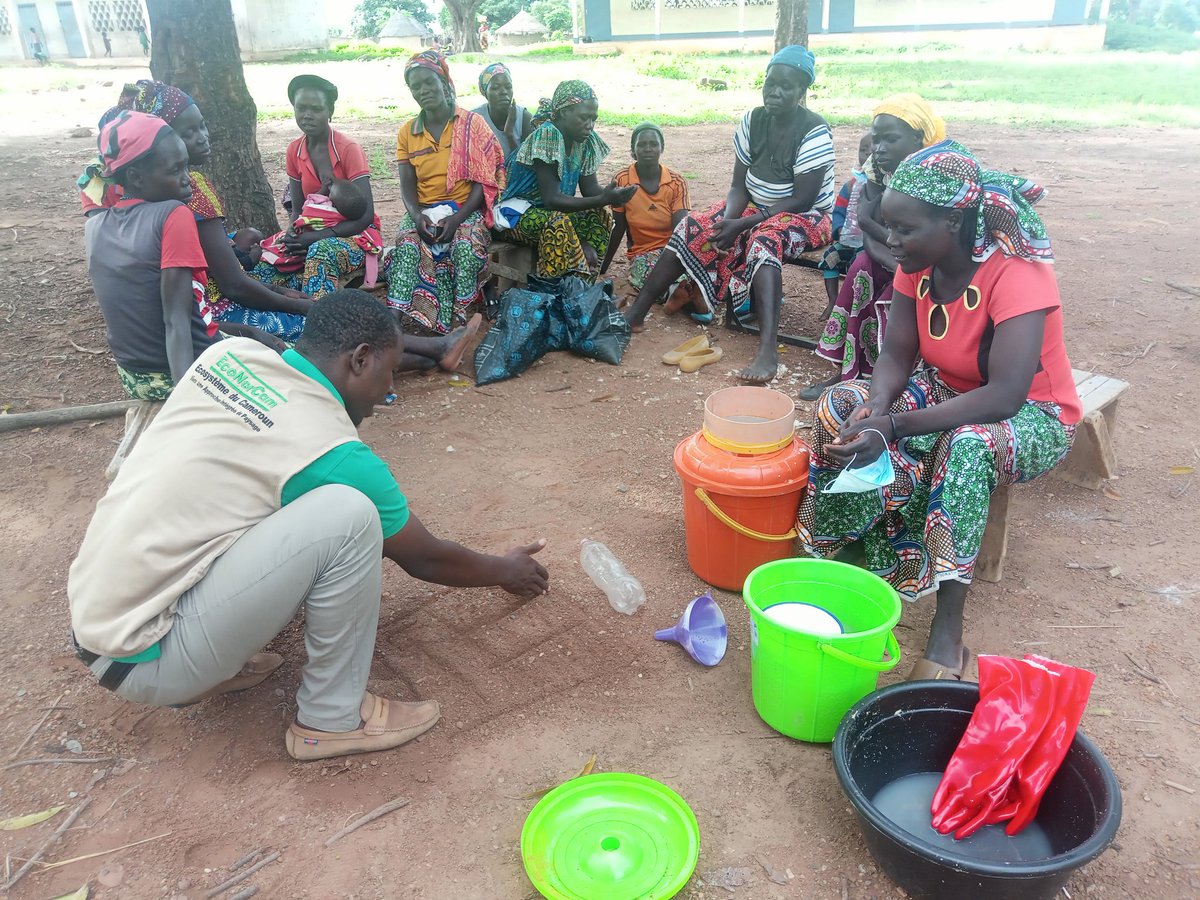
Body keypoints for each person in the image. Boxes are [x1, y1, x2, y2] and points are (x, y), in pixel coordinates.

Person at [68, 290, 549, 761]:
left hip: (99, 618)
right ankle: (331, 719)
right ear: (360, 359)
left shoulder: (229, 358)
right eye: (389, 371)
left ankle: (217, 657)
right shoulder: (331, 451)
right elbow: (425, 557)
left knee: (259, 503)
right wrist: (506, 570)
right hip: (151, 653)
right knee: (349, 514)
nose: (389, 391)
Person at [796, 140, 1077, 681]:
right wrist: (875, 410)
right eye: (888, 226)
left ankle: (948, 628)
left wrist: (894, 425)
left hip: (1033, 415)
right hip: (945, 388)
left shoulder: (1017, 272)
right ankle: (850, 547)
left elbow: (1005, 396)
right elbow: (896, 354)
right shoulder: (918, 263)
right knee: (841, 405)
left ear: (952, 221)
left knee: (966, 446)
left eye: (904, 229)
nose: (890, 240)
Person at [623, 46, 835, 383]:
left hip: (808, 216)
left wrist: (745, 223)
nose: (775, 92)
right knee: (694, 225)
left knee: (764, 241)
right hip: (754, 207)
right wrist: (728, 222)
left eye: (786, 86)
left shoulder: (814, 130)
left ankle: (767, 351)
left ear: (802, 91)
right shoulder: (753, 121)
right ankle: (635, 315)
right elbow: (738, 186)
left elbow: (802, 198)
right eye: (770, 83)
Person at [78, 80, 313, 344]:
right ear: (163, 140)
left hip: (166, 319)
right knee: (315, 327)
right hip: (209, 311)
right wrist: (304, 308)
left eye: (201, 126)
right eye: (187, 132)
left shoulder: (129, 198)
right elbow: (233, 286)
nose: (202, 136)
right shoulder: (187, 194)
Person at [804, 94, 946, 399]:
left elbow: (880, 225)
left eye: (890, 139)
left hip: (933, 261)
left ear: (919, 138)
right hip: (895, 254)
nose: (879, 148)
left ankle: (904, 381)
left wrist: (872, 225)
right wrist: (896, 265)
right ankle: (850, 372)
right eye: (876, 139)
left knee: (900, 287)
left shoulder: (935, 174)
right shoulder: (878, 168)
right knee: (862, 267)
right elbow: (867, 235)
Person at [85, 111, 219, 399]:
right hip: (183, 370)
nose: (187, 180)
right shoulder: (173, 215)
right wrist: (186, 401)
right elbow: (175, 321)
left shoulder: (94, 226)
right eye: (175, 171)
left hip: (133, 376)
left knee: (253, 337)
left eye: (186, 167)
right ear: (136, 177)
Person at [383, 50, 505, 335]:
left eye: (429, 82)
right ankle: (393, 324)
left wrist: (458, 218)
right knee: (407, 247)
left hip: (465, 208)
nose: (423, 90)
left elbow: (483, 182)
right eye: (415, 86)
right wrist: (417, 217)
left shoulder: (471, 124)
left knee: (465, 248)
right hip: (424, 209)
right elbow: (407, 185)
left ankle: (459, 319)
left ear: (444, 82)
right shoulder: (407, 132)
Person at [253, 75, 380, 300]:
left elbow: (366, 216)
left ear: (330, 111)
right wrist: (293, 233)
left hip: (357, 235)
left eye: (316, 109)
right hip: (312, 231)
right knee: (268, 260)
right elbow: (297, 209)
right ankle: (280, 313)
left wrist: (318, 237)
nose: (307, 115)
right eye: (301, 108)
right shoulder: (294, 150)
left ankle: (316, 314)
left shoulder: (348, 149)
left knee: (320, 254)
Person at [496, 80, 634, 280]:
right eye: (584, 118)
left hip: (550, 213)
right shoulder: (548, 135)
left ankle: (582, 285)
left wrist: (613, 195)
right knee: (557, 223)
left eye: (593, 119)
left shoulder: (584, 140)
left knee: (601, 215)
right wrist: (603, 199)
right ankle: (556, 291)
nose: (590, 125)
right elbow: (552, 199)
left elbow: (590, 189)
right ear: (563, 112)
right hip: (514, 215)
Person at [597, 122, 694, 313]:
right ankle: (683, 294)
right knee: (648, 271)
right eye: (641, 144)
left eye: (653, 144)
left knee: (684, 266)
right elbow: (618, 227)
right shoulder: (623, 180)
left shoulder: (676, 182)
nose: (648, 148)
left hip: (672, 248)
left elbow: (681, 230)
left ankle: (681, 294)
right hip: (642, 251)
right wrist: (603, 266)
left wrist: (676, 257)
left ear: (662, 148)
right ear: (633, 150)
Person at [260, 179, 381, 287]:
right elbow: (296, 212)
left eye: (330, 191)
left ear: (332, 202)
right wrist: (291, 231)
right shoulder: (296, 158)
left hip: (328, 239)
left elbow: (309, 204)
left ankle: (314, 300)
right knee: (263, 267)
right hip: (308, 239)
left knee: (318, 251)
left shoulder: (325, 207)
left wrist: (322, 191)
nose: (329, 188)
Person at [815, 131, 872, 321]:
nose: (867, 154)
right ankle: (833, 301)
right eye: (863, 150)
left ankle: (851, 307)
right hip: (848, 239)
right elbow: (839, 212)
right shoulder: (851, 186)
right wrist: (839, 230)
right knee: (830, 257)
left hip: (870, 244)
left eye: (872, 151)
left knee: (857, 264)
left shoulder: (885, 187)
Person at [473, 62, 533, 156]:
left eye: (508, 87)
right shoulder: (474, 120)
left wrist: (509, 134)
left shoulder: (525, 118)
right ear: (484, 91)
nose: (504, 92)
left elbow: (526, 163)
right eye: (496, 88)